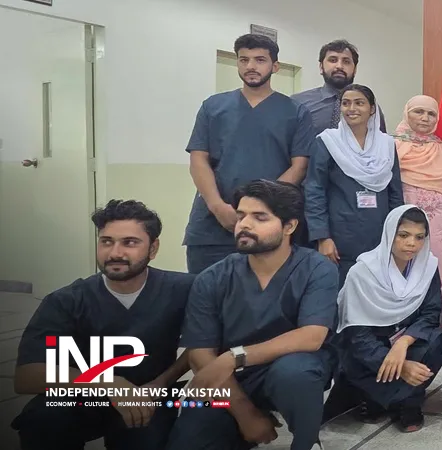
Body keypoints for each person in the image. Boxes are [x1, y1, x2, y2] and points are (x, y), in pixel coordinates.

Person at [166, 180, 338, 450]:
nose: (244, 224)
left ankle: (307, 441)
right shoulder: (213, 277)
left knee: (296, 372)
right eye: (241, 215)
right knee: (189, 441)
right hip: (231, 380)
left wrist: (234, 357)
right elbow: (201, 352)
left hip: (290, 369)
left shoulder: (316, 268)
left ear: (289, 226)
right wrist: (245, 414)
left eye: (260, 217)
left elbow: (311, 336)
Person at [10, 200, 193, 450]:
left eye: (130, 242)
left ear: (153, 248)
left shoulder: (183, 290)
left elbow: (206, 344)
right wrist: (108, 383)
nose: (115, 253)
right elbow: (26, 376)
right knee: (42, 419)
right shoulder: (67, 300)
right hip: (85, 397)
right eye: (106, 241)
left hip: (151, 397)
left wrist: (160, 384)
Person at [184, 33, 314, 274]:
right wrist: (217, 206)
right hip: (213, 226)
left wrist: (262, 209)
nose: (251, 66)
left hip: (269, 227)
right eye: (244, 60)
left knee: (266, 294)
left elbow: (299, 166)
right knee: (206, 292)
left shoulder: (296, 112)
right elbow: (198, 159)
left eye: (260, 60)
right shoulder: (213, 107)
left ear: (275, 66)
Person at [336, 205, 442, 433]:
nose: (411, 243)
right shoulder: (363, 272)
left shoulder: (427, 267)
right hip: (370, 352)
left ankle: (397, 401)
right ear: (389, 234)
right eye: (403, 235)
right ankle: (400, 399)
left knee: (441, 341)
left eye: (419, 237)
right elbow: (357, 336)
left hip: (407, 344)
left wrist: (403, 343)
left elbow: (431, 313)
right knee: (356, 356)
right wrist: (401, 366)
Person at [304, 84, 405, 282]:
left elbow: (395, 192)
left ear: (372, 109)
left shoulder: (386, 144)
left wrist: (397, 233)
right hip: (339, 235)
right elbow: (314, 190)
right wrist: (322, 237)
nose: (352, 109)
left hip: (379, 233)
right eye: (346, 103)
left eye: (359, 103)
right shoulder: (327, 142)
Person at [394, 94, 442, 299]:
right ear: (407, 114)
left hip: (439, 226)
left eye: (431, 114)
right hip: (403, 224)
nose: (425, 118)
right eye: (418, 112)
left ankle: (437, 317)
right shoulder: (392, 146)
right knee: (402, 275)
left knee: (439, 275)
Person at [292, 39, 386, 136]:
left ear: (355, 70)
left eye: (346, 61)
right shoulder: (298, 103)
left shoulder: (369, 106)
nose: (339, 66)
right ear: (321, 67)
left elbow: (379, 141)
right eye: (333, 60)